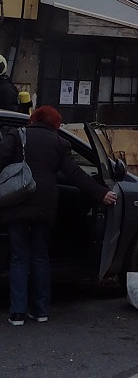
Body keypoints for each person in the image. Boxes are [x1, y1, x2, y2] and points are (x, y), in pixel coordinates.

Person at [0, 105, 116, 326]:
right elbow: (74, 174)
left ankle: (17, 313)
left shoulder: (17, 135)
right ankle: (41, 310)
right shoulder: (58, 143)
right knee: (40, 256)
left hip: (17, 204)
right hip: (45, 207)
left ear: (33, 119)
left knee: (18, 257)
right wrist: (101, 193)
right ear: (54, 124)